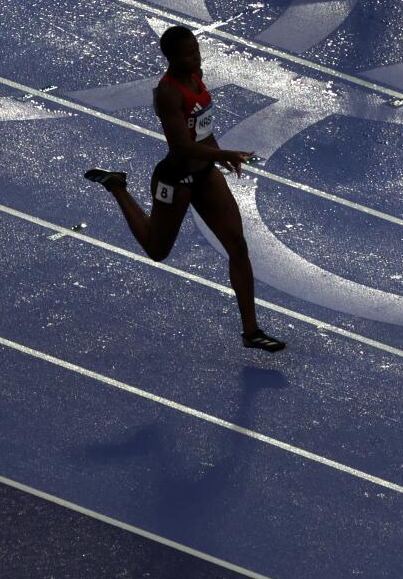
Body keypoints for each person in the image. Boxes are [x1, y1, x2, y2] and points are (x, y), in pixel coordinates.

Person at [84, 26, 286, 352]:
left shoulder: (196, 77)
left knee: (237, 246)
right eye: (189, 53)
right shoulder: (167, 93)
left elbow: (202, 128)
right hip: (175, 179)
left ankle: (251, 331)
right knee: (157, 250)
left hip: (205, 175)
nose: (197, 56)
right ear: (172, 58)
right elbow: (180, 147)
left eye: (196, 49)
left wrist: (220, 159)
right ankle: (118, 187)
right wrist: (225, 154)